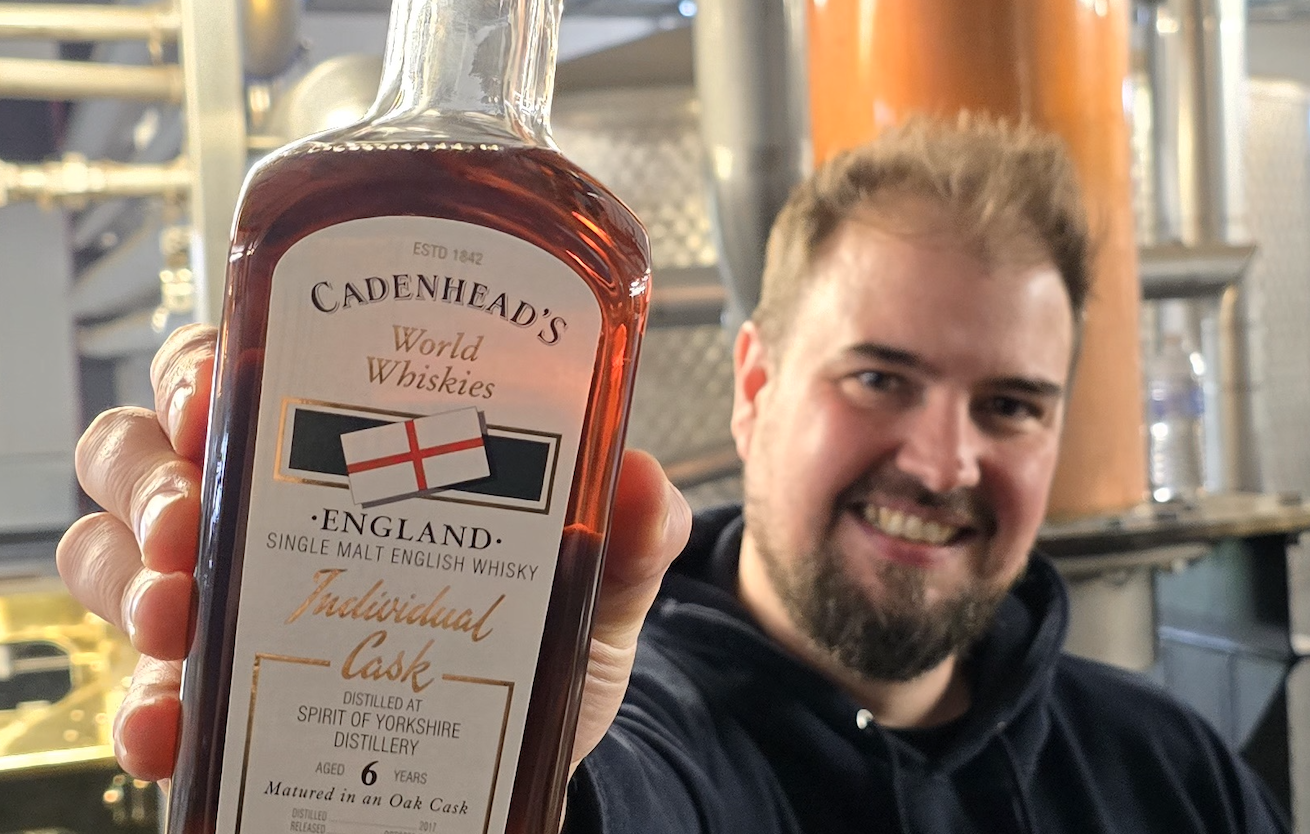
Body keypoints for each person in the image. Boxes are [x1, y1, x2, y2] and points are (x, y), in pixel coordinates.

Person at [57, 115, 1288, 833]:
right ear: (753, 385)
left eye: (1009, 404)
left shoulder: (1168, 769)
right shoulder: (626, 733)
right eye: (877, 377)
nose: (939, 459)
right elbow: (610, 794)